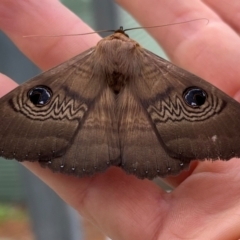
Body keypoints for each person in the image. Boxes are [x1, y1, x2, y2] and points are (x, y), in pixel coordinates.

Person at [1, 1, 240, 239]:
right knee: (193, 96)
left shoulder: (82, 64)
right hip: (148, 142)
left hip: (84, 141)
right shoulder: (154, 66)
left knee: (39, 97)